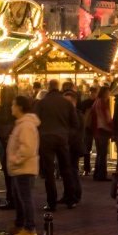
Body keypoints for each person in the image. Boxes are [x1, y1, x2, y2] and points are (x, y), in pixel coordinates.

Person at [36, 81, 81, 211]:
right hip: (62, 139)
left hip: (46, 139)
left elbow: (36, 121)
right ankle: (70, 199)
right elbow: (75, 124)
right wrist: (67, 135)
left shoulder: (42, 103)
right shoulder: (66, 103)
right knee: (66, 169)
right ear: (58, 88)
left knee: (49, 172)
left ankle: (51, 202)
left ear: (48, 88)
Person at [7, 95, 40, 235]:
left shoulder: (26, 126)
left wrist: (15, 159)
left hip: (24, 168)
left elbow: (27, 148)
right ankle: (20, 224)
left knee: (25, 198)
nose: (11, 107)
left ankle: (29, 227)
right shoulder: (21, 124)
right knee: (19, 197)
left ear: (19, 107)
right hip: (20, 168)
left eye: (13, 104)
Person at [91, 86, 115, 181]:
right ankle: (101, 174)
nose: (109, 94)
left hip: (96, 130)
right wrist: (112, 128)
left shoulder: (96, 101)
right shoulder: (103, 103)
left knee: (99, 153)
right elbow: (107, 118)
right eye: (108, 92)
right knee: (102, 153)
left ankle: (97, 173)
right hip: (103, 130)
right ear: (105, 93)